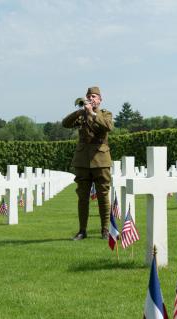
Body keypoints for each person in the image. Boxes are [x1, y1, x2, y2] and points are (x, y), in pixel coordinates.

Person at [62, 86, 113, 240]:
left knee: (103, 195)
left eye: (95, 96)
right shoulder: (81, 115)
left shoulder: (105, 114)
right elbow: (65, 123)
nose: (92, 99)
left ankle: (105, 229)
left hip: (101, 160)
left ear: (100, 100)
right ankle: (82, 230)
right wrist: (80, 111)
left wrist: (92, 113)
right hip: (83, 161)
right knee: (82, 197)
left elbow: (108, 127)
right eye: (89, 96)